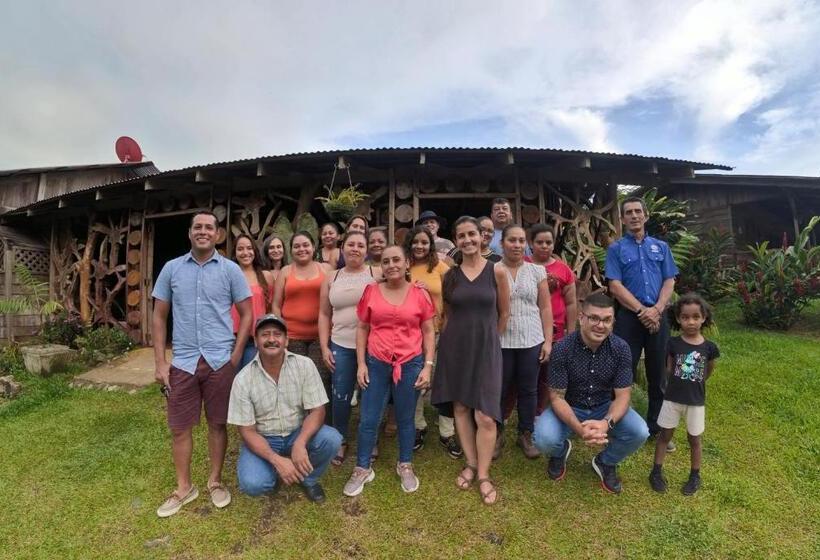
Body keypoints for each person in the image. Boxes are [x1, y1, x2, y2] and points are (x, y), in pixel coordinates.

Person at [151, 211, 253, 518]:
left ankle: (215, 480)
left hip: (220, 360)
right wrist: (160, 361)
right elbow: (158, 316)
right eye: (198, 227)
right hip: (182, 362)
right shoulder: (171, 269)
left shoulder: (231, 270)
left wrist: (235, 357)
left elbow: (248, 314)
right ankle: (184, 487)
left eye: (209, 227)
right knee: (180, 427)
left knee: (217, 424)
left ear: (218, 234)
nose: (204, 231)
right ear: (190, 232)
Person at [343, 245, 436, 496]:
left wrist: (427, 367)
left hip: (410, 363)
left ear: (407, 263)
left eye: (397, 260)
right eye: (386, 261)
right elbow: (362, 328)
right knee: (369, 418)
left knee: (406, 418)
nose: (391, 265)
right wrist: (361, 364)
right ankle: (363, 467)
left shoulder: (419, 294)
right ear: (381, 266)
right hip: (376, 362)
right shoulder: (371, 291)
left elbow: (428, 331)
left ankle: (405, 464)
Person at [533, 293, 649, 494]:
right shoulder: (562, 349)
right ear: (581, 318)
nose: (600, 325)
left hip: (604, 406)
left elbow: (622, 396)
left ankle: (605, 461)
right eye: (594, 318)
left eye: (606, 320)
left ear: (613, 322)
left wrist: (605, 424)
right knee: (543, 438)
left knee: (640, 432)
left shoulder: (621, 349)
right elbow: (557, 397)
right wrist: (580, 429)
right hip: (570, 406)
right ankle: (560, 452)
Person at [432, 216, 510, 506]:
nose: (467, 240)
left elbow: (504, 313)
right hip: (456, 347)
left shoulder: (497, 271)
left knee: (486, 415)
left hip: (487, 347)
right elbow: (448, 314)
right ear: (456, 240)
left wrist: (492, 340)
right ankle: (471, 462)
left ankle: (484, 475)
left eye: (472, 234)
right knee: (461, 406)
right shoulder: (450, 275)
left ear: (482, 237)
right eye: (461, 236)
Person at [228, 314, 343, 503]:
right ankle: (278, 470)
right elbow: (246, 431)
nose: (272, 339)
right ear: (256, 341)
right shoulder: (243, 379)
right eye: (265, 335)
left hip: (297, 432)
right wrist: (276, 459)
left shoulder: (304, 365)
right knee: (253, 484)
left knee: (332, 439)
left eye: (277, 334)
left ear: (286, 340)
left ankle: (308, 478)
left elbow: (318, 410)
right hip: (264, 438)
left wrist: (300, 443)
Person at [605, 196, 678, 446]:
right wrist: (641, 312)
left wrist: (656, 310)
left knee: (658, 372)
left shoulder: (661, 247)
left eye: (638, 211)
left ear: (646, 216)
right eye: (628, 212)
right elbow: (614, 285)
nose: (634, 215)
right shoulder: (615, 249)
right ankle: (616, 422)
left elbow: (669, 280)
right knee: (623, 369)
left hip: (658, 316)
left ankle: (656, 427)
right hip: (629, 317)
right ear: (623, 219)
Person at [318, 231, 381, 466]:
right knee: (340, 394)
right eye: (351, 244)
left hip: (373, 346)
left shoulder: (377, 274)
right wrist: (324, 346)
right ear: (343, 248)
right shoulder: (331, 277)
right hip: (340, 345)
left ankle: (370, 438)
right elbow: (324, 313)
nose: (355, 248)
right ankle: (341, 438)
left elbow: (399, 288)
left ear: (367, 250)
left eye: (360, 245)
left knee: (370, 395)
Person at [649, 293, 720, 496]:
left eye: (696, 317)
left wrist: (695, 381)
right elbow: (669, 368)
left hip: (695, 401)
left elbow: (708, 370)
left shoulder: (709, 348)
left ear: (704, 317)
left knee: (694, 439)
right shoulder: (672, 344)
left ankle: (695, 475)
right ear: (679, 319)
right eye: (686, 317)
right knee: (664, 435)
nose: (691, 322)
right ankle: (656, 471)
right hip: (672, 399)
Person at [404, 226, 462, 459]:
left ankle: (447, 431)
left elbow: (454, 296)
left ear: (430, 245)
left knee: (444, 380)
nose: (420, 246)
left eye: (424, 242)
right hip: (410, 334)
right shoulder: (404, 266)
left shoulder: (441, 267)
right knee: (417, 380)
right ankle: (419, 425)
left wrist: (449, 325)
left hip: (440, 330)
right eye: (416, 242)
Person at [497, 224, 553, 460]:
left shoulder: (536, 271)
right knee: (500, 388)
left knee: (529, 389)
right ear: (502, 243)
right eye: (512, 240)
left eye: (521, 240)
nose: (517, 245)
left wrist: (548, 341)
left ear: (526, 244)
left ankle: (525, 434)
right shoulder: (493, 270)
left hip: (531, 338)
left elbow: (545, 307)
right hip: (501, 339)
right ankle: (496, 433)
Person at [272, 232, 331, 416]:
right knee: (295, 382)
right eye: (296, 246)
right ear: (291, 251)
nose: (301, 249)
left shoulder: (327, 270)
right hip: (292, 337)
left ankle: (322, 425)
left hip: (319, 337)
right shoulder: (285, 272)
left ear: (314, 247)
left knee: (320, 382)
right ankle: (296, 424)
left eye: (305, 245)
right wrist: (281, 334)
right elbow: (275, 304)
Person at [528, 224, 577, 414]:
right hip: (529, 329)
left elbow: (571, 303)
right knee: (527, 374)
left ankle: (541, 411)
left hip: (556, 331)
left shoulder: (563, 270)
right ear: (531, 243)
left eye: (548, 242)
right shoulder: (522, 264)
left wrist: (571, 333)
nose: (544, 246)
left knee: (548, 375)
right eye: (539, 242)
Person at [231, 234, 274, 370]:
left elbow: (270, 309)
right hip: (231, 338)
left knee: (250, 379)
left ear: (255, 251)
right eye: (240, 249)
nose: (245, 253)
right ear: (235, 253)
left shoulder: (266, 276)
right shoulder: (228, 275)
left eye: (249, 248)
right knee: (230, 381)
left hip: (254, 339)